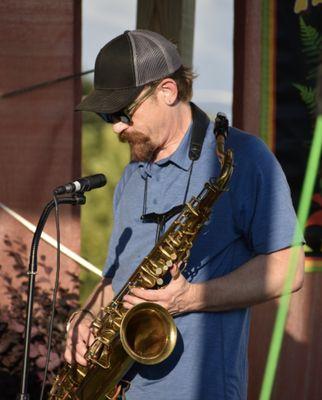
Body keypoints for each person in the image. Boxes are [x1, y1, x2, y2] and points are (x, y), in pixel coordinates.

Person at [64, 30, 304, 400]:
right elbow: (117, 280)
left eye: (123, 111)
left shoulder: (243, 158)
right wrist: (86, 315)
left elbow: (290, 268)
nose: (115, 127)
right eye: (106, 114)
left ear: (167, 91)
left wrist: (190, 297)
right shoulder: (132, 175)